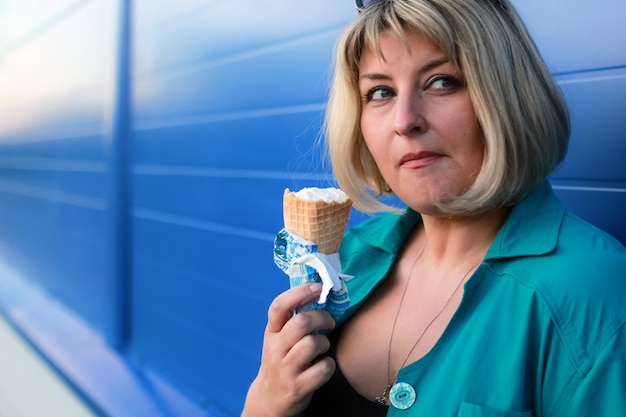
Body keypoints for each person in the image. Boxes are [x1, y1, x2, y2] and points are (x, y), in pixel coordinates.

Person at [242, 0, 626, 416]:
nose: (404, 120)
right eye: (381, 92)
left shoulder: (595, 294)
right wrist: (265, 401)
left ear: (508, 96)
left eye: (442, 82)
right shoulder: (350, 258)